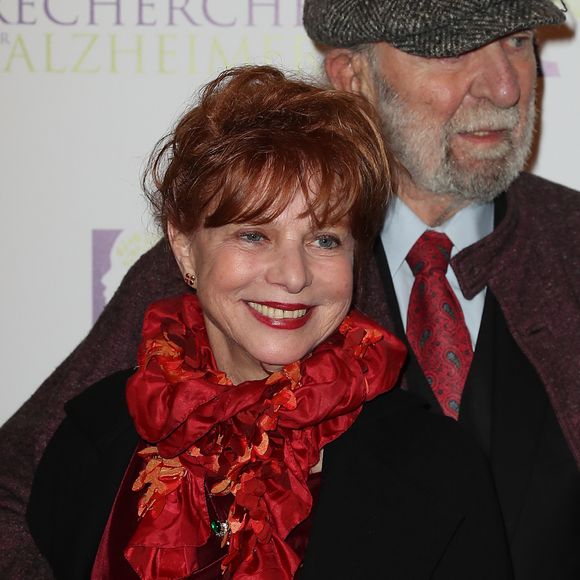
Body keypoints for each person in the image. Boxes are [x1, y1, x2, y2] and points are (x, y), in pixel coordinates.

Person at [22, 66, 512, 579]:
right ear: (184, 245)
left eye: (324, 240)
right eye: (254, 235)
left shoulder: (439, 469)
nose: (293, 276)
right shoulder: (94, 437)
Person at [301, 1, 580, 579]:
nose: (506, 87)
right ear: (354, 79)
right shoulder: (245, 273)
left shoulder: (571, 246)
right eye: (453, 48)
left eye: (518, 41)